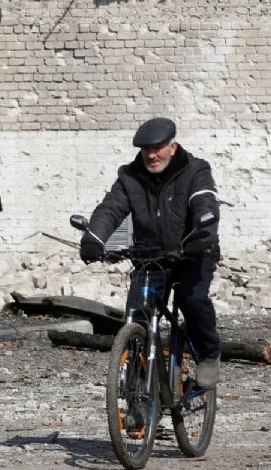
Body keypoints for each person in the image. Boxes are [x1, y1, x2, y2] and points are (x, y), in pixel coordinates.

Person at [79, 117, 221, 388]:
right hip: (151, 257)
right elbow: (111, 208)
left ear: (173, 147)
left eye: (158, 149)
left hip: (193, 252)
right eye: (146, 150)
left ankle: (208, 356)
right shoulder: (130, 176)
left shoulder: (196, 170)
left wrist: (201, 235)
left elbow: (204, 202)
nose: (152, 155)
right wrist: (93, 239)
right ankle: (136, 398)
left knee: (193, 301)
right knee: (136, 316)